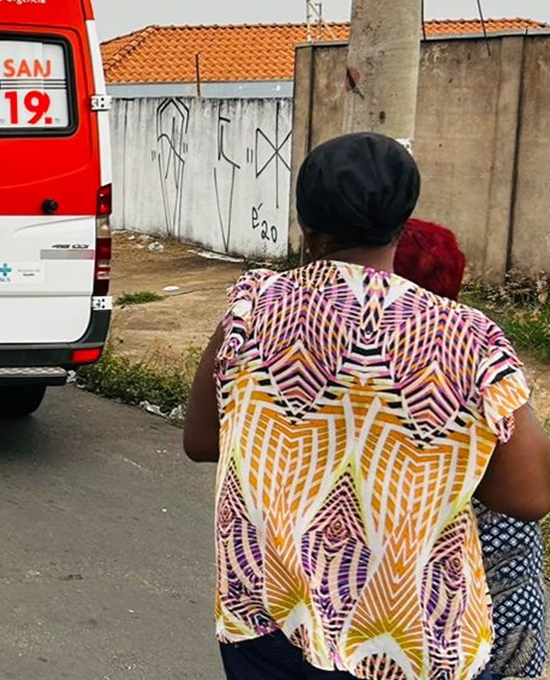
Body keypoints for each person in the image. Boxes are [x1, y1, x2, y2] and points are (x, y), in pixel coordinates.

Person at [184, 132, 550, 680]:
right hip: (411, 636)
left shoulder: (252, 307)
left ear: (306, 226)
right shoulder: (469, 337)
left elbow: (201, 441)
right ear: (403, 224)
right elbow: (528, 495)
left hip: (266, 612)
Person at [395, 219, 548, 680]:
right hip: (503, 608)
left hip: (423, 622)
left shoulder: (364, 372)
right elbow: (533, 493)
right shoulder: (480, 352)